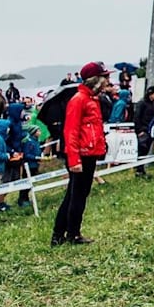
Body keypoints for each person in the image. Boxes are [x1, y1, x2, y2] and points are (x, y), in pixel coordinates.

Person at [51, 62, 109, 245]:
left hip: (89, 152)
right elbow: (71, 131)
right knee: (76, 196)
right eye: (105, 77)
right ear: (96, 80)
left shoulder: (92, 99)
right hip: (81, 154)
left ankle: (65, 233)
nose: (108, 80)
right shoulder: (79, 100)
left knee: (78, 194)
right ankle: (68, 233)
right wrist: (74, 159)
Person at [134, 86, 154, 177]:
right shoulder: (142, 104)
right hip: (143, 131)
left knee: (146, 151)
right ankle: (139, 170)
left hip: (150, 131)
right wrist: (139, 130)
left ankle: (142, 169)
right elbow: (137, 117)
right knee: (142, 151)